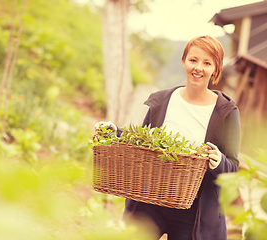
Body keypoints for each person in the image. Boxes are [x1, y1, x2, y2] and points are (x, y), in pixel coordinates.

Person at [95, 35, 241, 240]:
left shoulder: (226, 111)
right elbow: (142, 140)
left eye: (207, 63)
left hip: (193, 208)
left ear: (216, 69)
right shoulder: (163, 101)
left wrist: (218, 161)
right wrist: (114, 132)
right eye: (193, 60)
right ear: (184, 62)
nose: (198, 67)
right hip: (150, 199)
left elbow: (233, 167)